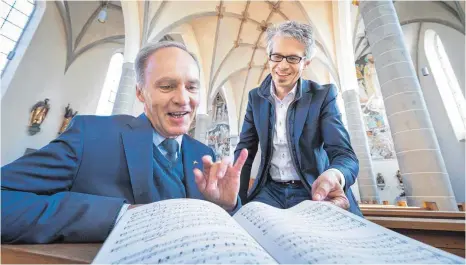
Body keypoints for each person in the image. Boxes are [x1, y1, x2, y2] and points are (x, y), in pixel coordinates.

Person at [1, 41, 248, 243]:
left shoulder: (202, 153)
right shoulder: (91, 136)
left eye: (191, 87)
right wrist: (118, 215)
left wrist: (226, 206)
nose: (183, 99)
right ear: (140, 92)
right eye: (166, 86)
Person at [234, 21, 362, 216]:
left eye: (293, 58)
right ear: (269, 58)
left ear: (306, 63)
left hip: (311, 189)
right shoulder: (255, 98)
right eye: (277, 56)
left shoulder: (322, 96)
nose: (282, 65)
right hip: (269, 192)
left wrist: (333, 174)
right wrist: (237, 201)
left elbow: (344, 155)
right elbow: (244, 153)